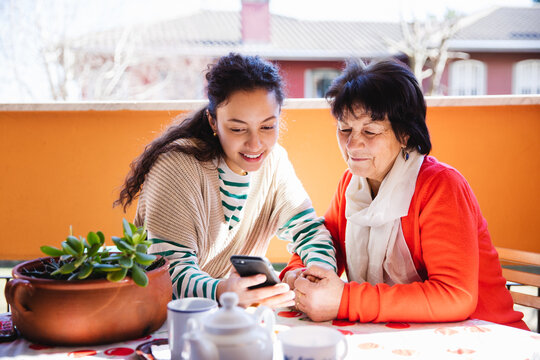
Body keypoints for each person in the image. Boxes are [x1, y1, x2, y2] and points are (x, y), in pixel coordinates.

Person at [280, 58, 528, 330]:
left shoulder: (441, 186)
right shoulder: (351, 183)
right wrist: (298, 276)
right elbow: (324, 243)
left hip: (487, 335)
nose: (352, 144)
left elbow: (455, 296)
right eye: (344, 129)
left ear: (406, 134)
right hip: (406, 337)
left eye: (370, 131)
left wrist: (344, 299)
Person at [115, 53, 337, 308]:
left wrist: (318, 275)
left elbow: (309, 231)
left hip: (231, 315)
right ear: (214, 121)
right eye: (238, 129)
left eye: (267, 127)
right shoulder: (176, 167)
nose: (255, 144)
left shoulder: (275, 162)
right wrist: (223, 290)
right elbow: (168, 273)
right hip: (165, 315)